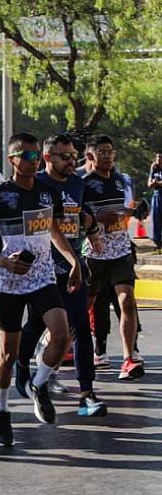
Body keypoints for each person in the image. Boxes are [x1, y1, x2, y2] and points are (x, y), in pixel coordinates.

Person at [0, 133, 82, 447]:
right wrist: (2, 263)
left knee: (61, 335)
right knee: (7, 355)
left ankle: (38, 384)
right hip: (10, 282)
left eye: (38, 156)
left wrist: (73, 260)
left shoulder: (49, 193)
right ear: (12, 160)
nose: (34, 162)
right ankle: (1, 410)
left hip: (43, 277)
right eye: (28, 156)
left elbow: (53, 231)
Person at [20, 135, 107, 417]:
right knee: (34, 325)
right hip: (43, 269)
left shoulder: (77, 184)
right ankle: (23, 371)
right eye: (64, 157)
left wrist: (91, 231)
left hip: (73, 267)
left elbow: (82, 213)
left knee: (81, 327)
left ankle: (86, 394)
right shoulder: (38, 185)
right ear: (48, 158)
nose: (72, 161)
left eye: (74, 156)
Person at [83, 135, 143, 380]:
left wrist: (134, 210)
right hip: (94, 254)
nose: (107, 156)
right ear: (90, 156)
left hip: (120, 252)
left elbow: (120, 212)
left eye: (110, 151)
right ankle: (60, 346)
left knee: (127, 301)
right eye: (102, 152)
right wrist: (98, 221)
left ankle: (128, 359)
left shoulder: (120, 180)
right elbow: (76, 216)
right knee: (84, 306)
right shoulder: (84, 183)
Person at [149, 153, 162, 251]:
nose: (158, 159)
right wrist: (155, 183)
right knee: (155, 219)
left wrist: (156, 183)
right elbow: (149, 184)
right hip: (156, 196)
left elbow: (154, 183)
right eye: (157, 157)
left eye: (160, 157)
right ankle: (157, 242)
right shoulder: (154, 169)